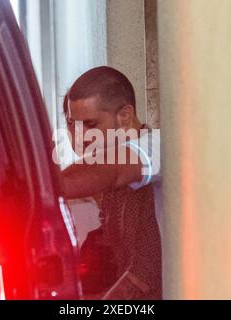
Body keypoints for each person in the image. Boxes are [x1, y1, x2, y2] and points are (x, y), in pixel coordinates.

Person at [60, 66, 162, 299]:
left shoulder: (157, 144)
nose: (79, 137)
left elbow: (115, 170)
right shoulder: (110, 187)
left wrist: (38, 191)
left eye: (90, 125)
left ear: (125, 116)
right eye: (73, 125)